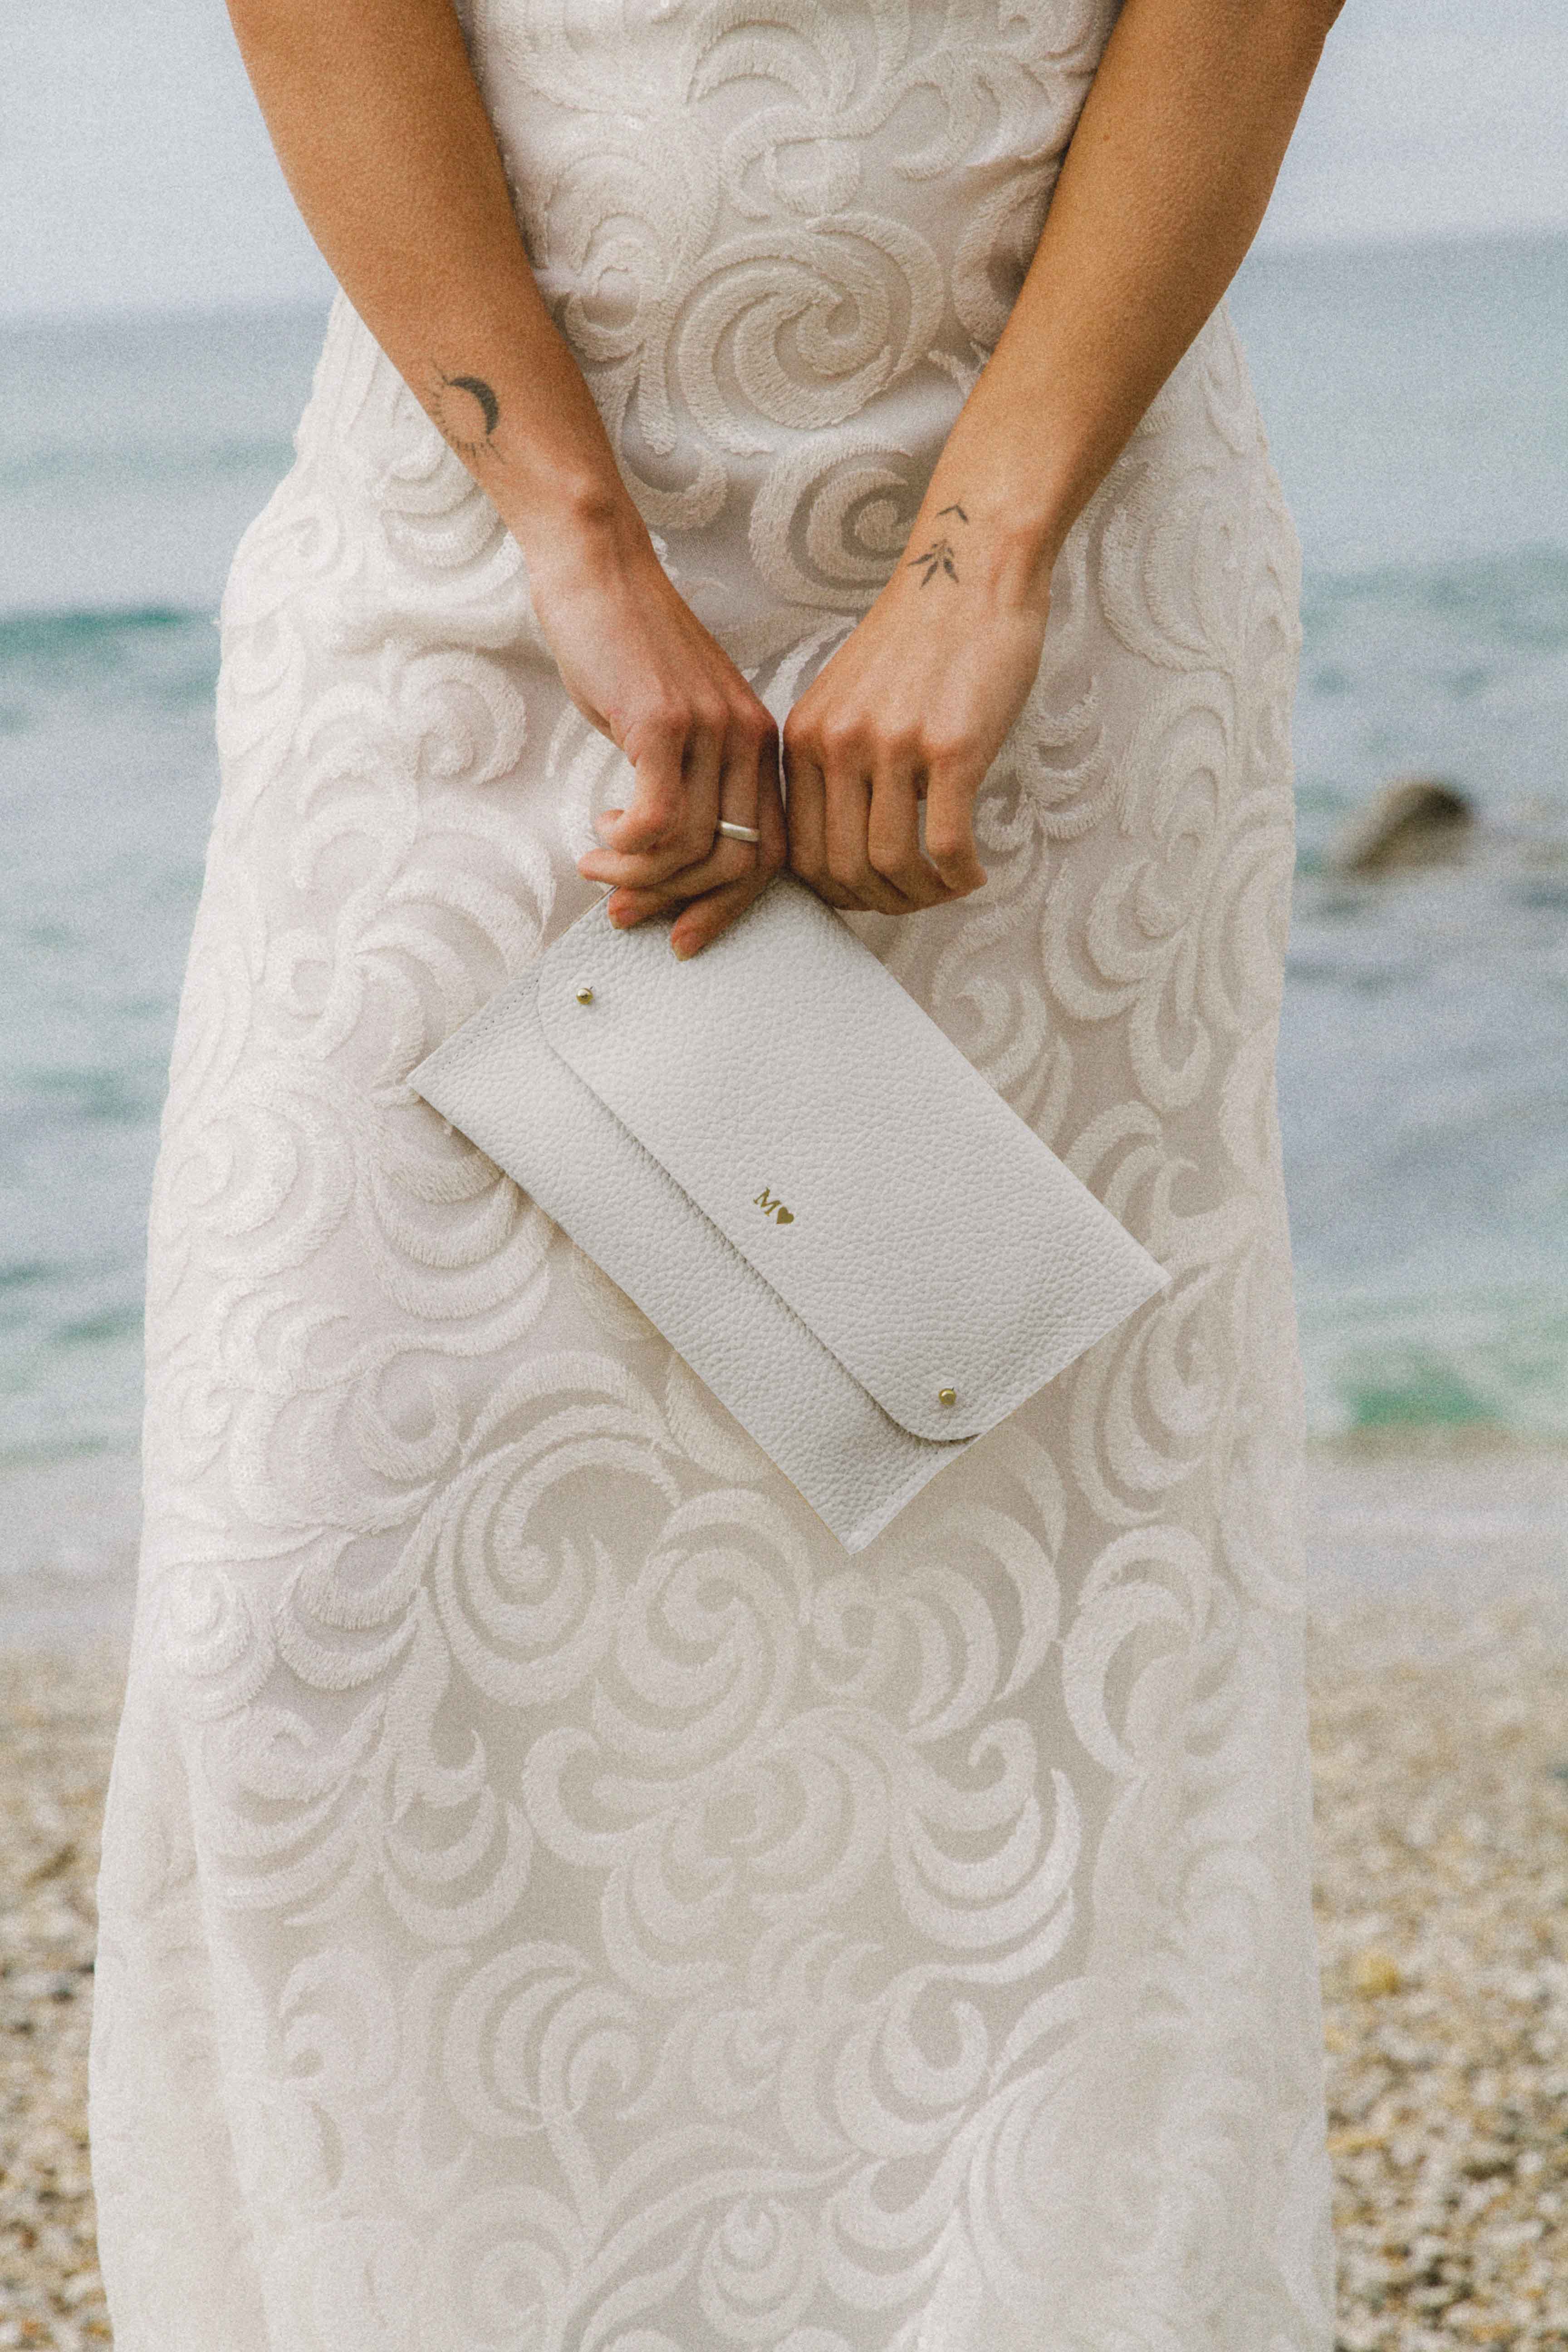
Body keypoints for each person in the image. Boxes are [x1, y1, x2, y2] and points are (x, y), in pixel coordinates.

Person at [87, 0, 1345, 2342]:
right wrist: (566, 522)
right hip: (468, 568)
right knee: (305, 1637)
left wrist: (990, 548)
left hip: (1051, 576)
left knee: (1038, 1683)